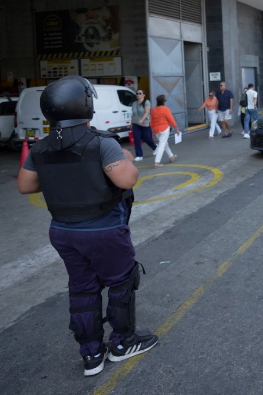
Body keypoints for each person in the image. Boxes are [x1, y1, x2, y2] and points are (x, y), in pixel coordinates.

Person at [16, 75, 158, 377]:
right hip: (103, 229)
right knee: (121, 283)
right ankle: (122, 343)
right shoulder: (100, 142)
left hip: (63, 232)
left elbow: (26, 186)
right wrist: (125, 157)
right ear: (86, 105)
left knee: (82, 288)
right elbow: (126, 179)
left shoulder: (41, 147)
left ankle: (91, 353)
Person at [150, 94, 180, 168]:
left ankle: (171, 156)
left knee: (164, 143)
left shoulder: (153, 110)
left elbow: (152, 122)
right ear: (164, 101)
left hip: (156, 130)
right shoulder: (166, 109)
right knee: (162, 145)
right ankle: (157, 162)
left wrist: (153, 132)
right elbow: (171, 120)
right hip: (164, 128)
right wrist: (176, 129)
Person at [130, 89, 158, 161]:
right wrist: (131, 123)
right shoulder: (134, 103)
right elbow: (133, 114)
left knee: (147, 138)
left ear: (143, 95)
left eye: (140, 93)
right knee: (137, 138)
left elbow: (146, 112)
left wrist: (142, 120)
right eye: (137, 93)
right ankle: (139, 155)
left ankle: (155, 147)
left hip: (145, 123)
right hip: (136, 123)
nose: (138, 95)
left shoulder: (146, 102)